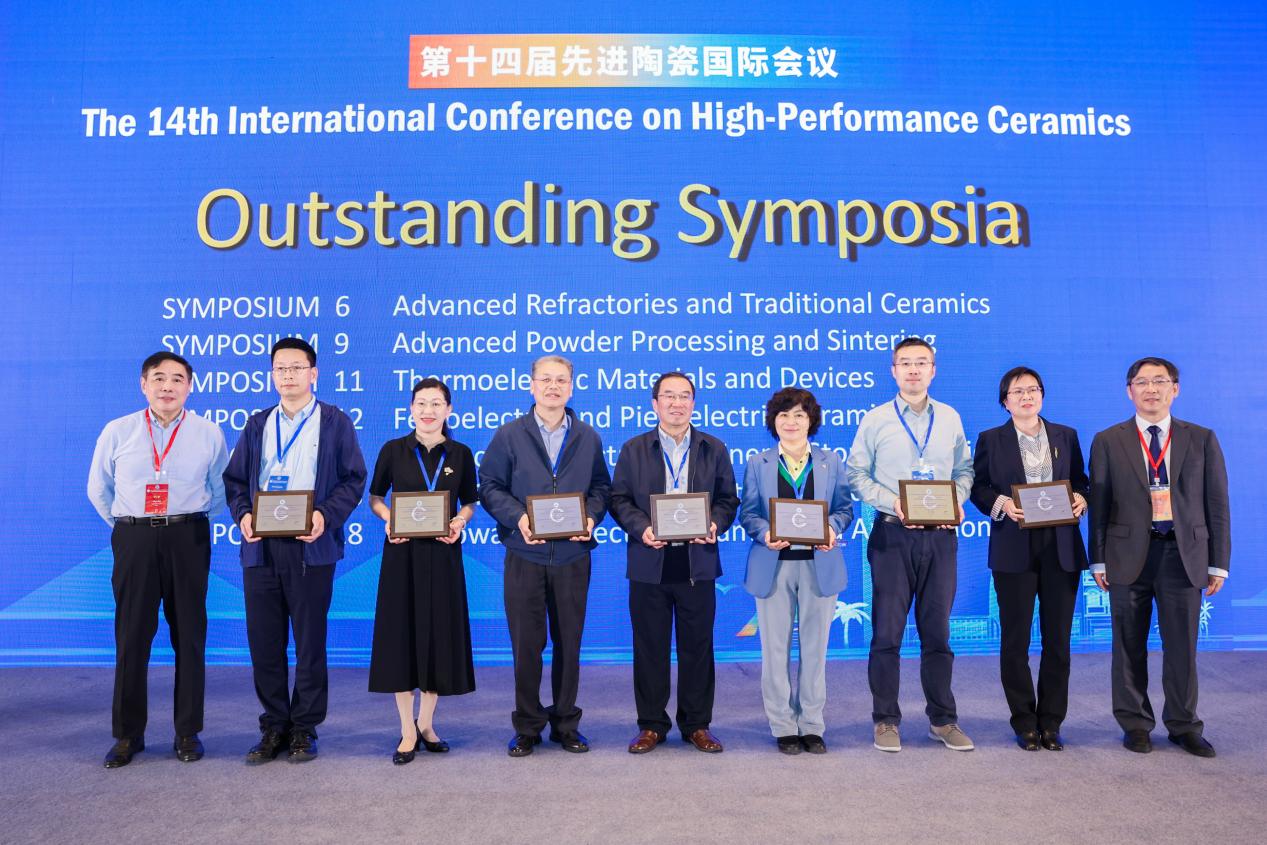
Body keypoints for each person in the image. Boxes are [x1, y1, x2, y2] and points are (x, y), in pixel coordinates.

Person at [223, 338, 366, 764]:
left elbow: (354, 479)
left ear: (313, 373)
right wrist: (243, 515)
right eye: (280, 369)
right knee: (264, 643)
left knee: (309, 643)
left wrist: (324, 515)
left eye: (296, 368)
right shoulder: (257, 424)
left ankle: (304, 727)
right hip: (261, 548)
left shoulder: (335, 422)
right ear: (272, 375)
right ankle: (274, 725)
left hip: (311, 547)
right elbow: (235, 482)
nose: (288, 375)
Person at [88, 351, 229, 768]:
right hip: (134, 538)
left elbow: (220, 490)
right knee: (132, 636)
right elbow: (99, 489)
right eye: (159, 378)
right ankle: (127, 735)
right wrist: (131, 524)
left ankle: (188, 732)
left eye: (177, 379)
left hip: (188, 536)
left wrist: (184, 521)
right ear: (144, 384)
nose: (168, 386)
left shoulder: (208, 433)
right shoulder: (118, 431)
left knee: (190, 635)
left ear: (190, 386)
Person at [1089, 356, 1229, 758]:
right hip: (1126, 554)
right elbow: (1099, 505)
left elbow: (1217, 504)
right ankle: (1135, 724)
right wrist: (1098, 559)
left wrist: (1218, 562)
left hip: (1184, 555)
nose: (1151, 389)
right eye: (1142, 382)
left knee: (1182, 646)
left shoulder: (1201, 438)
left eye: (1159, 381)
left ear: (1175, 389)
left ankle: (1184, 725)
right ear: (1129, 391)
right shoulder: (1108, 440)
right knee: (1127, 645)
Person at [846, 336, 974, 753]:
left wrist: (957, 499)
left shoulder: (951, 418)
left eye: (921, 363)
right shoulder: (876, 419)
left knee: (937, 633)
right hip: (892, 535)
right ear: (894, 370)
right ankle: (885, 719)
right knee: (887, 633)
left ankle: (943, 719)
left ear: (933, 370)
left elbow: (965, 469)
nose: (913, 370)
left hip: (940, 537)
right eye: (905, 363)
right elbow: (856, 475)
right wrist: (894, 503)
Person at [479, 355, 611, 757]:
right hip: (525, 555)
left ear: (571, 387)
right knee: (526, 645)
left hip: (572, 556)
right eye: (546, 380)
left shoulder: (588, 436)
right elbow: (489, 486)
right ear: (532, 386)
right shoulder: (509, 434)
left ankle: (566, 723)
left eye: (561, 380)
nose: (553, 387)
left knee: (569, 644)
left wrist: (591, 517)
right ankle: (528, 726)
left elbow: (602, 488)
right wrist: (518, 518)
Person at [610, 372, 740, 754]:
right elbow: (619, 500)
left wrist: (714, 523)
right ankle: (651, 725)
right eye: (669, 396)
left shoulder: (714, 448)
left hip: (697, 562)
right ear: (655, 404)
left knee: (697, 647)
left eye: (684, 396)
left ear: (693, 403)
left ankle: (697, 725)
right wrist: (642, 528)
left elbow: (728, 500)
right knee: (649, 647)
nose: (676, 403)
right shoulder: (634, 448)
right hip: (649, 560)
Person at [969, 367, 1088, 751]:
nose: (1026, 396)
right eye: (1017, 391)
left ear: (1042, 395)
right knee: (1015, 640)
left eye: (1033, 389)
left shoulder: (1066, 435)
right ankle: (1024, 721)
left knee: (1058, 641)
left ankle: (1051, 722)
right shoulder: (991, 439)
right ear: (1005, 401)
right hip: (1013, 546)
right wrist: (1002, 504)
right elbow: (978, 487)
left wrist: (1082, 498)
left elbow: (1081, 480)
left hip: (1060, 546)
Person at [367, 378, 477, 765]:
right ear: (411, 409)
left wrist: (460, 521)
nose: (428, 411)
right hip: (402, 555)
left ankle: (427, 724)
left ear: (449, 410)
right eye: (421, 403)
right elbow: (375, 496)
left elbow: (470, 501)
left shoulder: (461, 453)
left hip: (443, 555)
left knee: (438, 637)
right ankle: (407, 730)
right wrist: (388, 520)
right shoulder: (393, 450)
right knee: (402, 638)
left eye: (436, 404)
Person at [739, 387, 853, 754]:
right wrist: (765, 533)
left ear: (811, 421)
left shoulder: (831, 461)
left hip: (820, 566)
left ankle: (812, 725)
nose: (791, 422)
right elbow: (748, 513)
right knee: (774, 651)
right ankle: (783, 725)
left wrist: (832, 529)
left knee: (815, 651)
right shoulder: (758, 463)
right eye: (784, 415)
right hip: (774, 567)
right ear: (773, 421)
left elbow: (844, 508)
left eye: (799, 415)